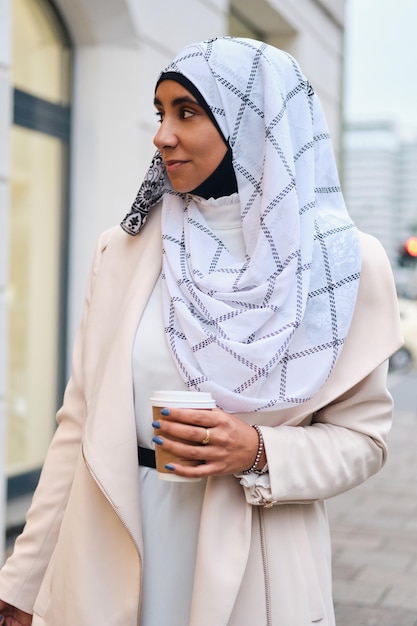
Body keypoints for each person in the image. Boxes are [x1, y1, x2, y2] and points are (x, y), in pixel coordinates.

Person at [0, 37, 402, 626]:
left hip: (254, 565)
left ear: (252, 122)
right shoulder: (126, 249)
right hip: (110, 546)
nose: (162, 133)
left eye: (187, 112)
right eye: (160, 112)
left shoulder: (340, 264)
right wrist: (23, 582)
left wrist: (259, 451)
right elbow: (79, 424)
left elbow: (364, 441)